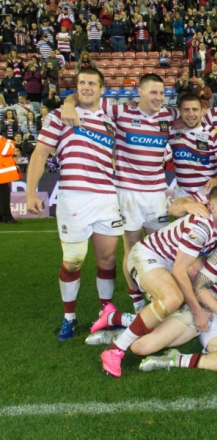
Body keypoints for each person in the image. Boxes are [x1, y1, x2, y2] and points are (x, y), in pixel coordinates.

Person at [96, 184, 217, 377]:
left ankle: (113, 317)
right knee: (172, 299)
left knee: (166, 313)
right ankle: (114, 349)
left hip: (166, 263)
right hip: (147, 256)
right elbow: (180, 270)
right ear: (213, 208)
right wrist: (197, 311)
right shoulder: (201, 227)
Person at [110, 209, 217, 373]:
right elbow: (200, 288)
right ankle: (119, 324)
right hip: (203, 312)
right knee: (141, 347)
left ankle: (176, 359)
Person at [62, 74, 179, 313]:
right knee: (132, 249)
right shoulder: (120, 111)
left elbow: (191, 116)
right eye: (153, 92)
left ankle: (163, 296)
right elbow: (87, 97)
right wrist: (67, 103)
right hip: (127, 192)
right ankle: (136, 300)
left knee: (161, 248)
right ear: (140, 93)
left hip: (157, 193)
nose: (159, 98)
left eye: (162, 93)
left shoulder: (169, 115)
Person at [26, 68, 123, 341]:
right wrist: (31, 192)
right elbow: (40, 153)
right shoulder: (61, 116)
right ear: (76, 87)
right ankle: (69, 316)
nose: (87, 87)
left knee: (108, 258)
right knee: (72, 262)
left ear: (102, 90)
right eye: (82, 83)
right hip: (74, 197)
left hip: (106, 196)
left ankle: (106, 312)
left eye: (92, 83)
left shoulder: (110, 120)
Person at [168, 93, 217, 199]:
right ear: (179, 112)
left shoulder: (215, 135)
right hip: (182, 194)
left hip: (207, 194)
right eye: (186, 110)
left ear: (202, 111)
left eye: (195, 109)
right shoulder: (172, 132)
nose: (191, 114)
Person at [0, 135, 21, 224]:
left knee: (3, 192)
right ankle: (6, 216)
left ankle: (4, 215)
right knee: (4, 192)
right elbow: (7, 149)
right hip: (2, 173)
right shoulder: (5, 142)